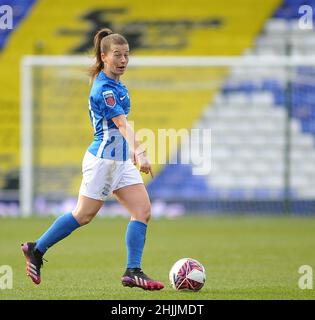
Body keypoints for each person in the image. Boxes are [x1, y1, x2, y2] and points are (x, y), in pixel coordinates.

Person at [21, 28, 164, 291]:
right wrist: (140, 151)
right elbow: (121, 124)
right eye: (117, 55)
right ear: (104, 56)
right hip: (104, 162)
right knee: (84, 215)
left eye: (127, 55)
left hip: (119, 160)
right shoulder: (104, 89)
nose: (123, 60)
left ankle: (133, 270)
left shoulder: (115, 83)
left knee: (142, 211)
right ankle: (36, 249)